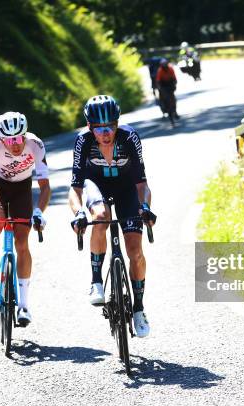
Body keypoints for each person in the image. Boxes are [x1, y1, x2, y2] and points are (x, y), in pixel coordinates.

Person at [68, 95, 157, 338]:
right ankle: (96, 280)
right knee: (100, 215)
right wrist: (78, 213)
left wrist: (145, 207)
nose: (106, 133)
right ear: (90, 127)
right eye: (100, 128)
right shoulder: (83, 141)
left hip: (127, 188)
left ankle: (138, 308)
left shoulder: (129, 137)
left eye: (111, 127)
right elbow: (75, 189)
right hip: (95, 185)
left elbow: (142, 184)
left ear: (118, 124)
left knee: (135, 251)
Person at [0, 111, 51, 327]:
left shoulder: (36, 144)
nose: (14, 144)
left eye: (18, 138)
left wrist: (38, 212)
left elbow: (45, 187)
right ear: (0, 139)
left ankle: (24, 305)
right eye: (8, 140)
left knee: (22, 242)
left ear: (25, 135)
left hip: (22, 189)